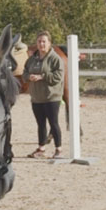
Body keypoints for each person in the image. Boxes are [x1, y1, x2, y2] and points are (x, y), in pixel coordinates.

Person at [23, 30, 65, 158]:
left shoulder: (55, 59)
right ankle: (41, 148)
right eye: (39, 41)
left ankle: (58, 149)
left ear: (49, 43)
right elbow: (24, 73)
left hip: (51, 97)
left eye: (44, 42)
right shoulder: (31, 60)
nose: (41, 44)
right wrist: (29, 77)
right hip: (36, 98)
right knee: (40, 124)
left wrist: (42, 76)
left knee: (54, 123)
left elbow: (58, 76)